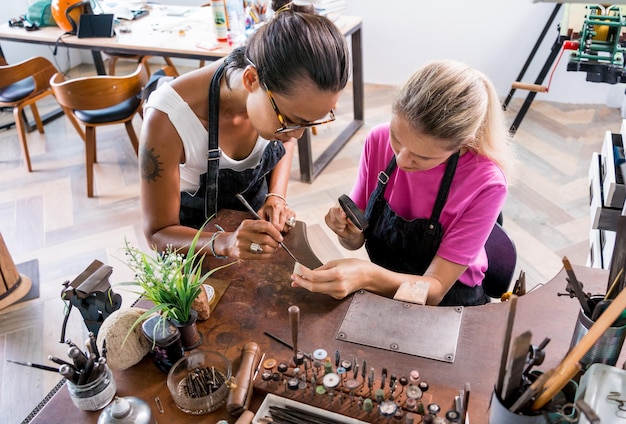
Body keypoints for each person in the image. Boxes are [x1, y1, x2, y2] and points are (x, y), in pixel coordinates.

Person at [291, 60, 516, 306]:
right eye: (396, 139)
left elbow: (433, 292)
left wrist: (366, 276)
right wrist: (348, 233)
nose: (402, 160)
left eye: (423, 157)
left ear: (463, 142)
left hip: (448, 303)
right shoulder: (377, 140)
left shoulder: (486, 182)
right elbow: (355, 241)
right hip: (387, 289)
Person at [139, 7, 350, 260]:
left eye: (307, 124)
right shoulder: (168, 119)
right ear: (251, 80)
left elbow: (288, 139)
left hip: (253, 236)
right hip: (191, 249)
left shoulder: (272, 102)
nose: (296, 136)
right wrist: (224, 242)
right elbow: (157, 234)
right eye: (291, 121)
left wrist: (276, 197)